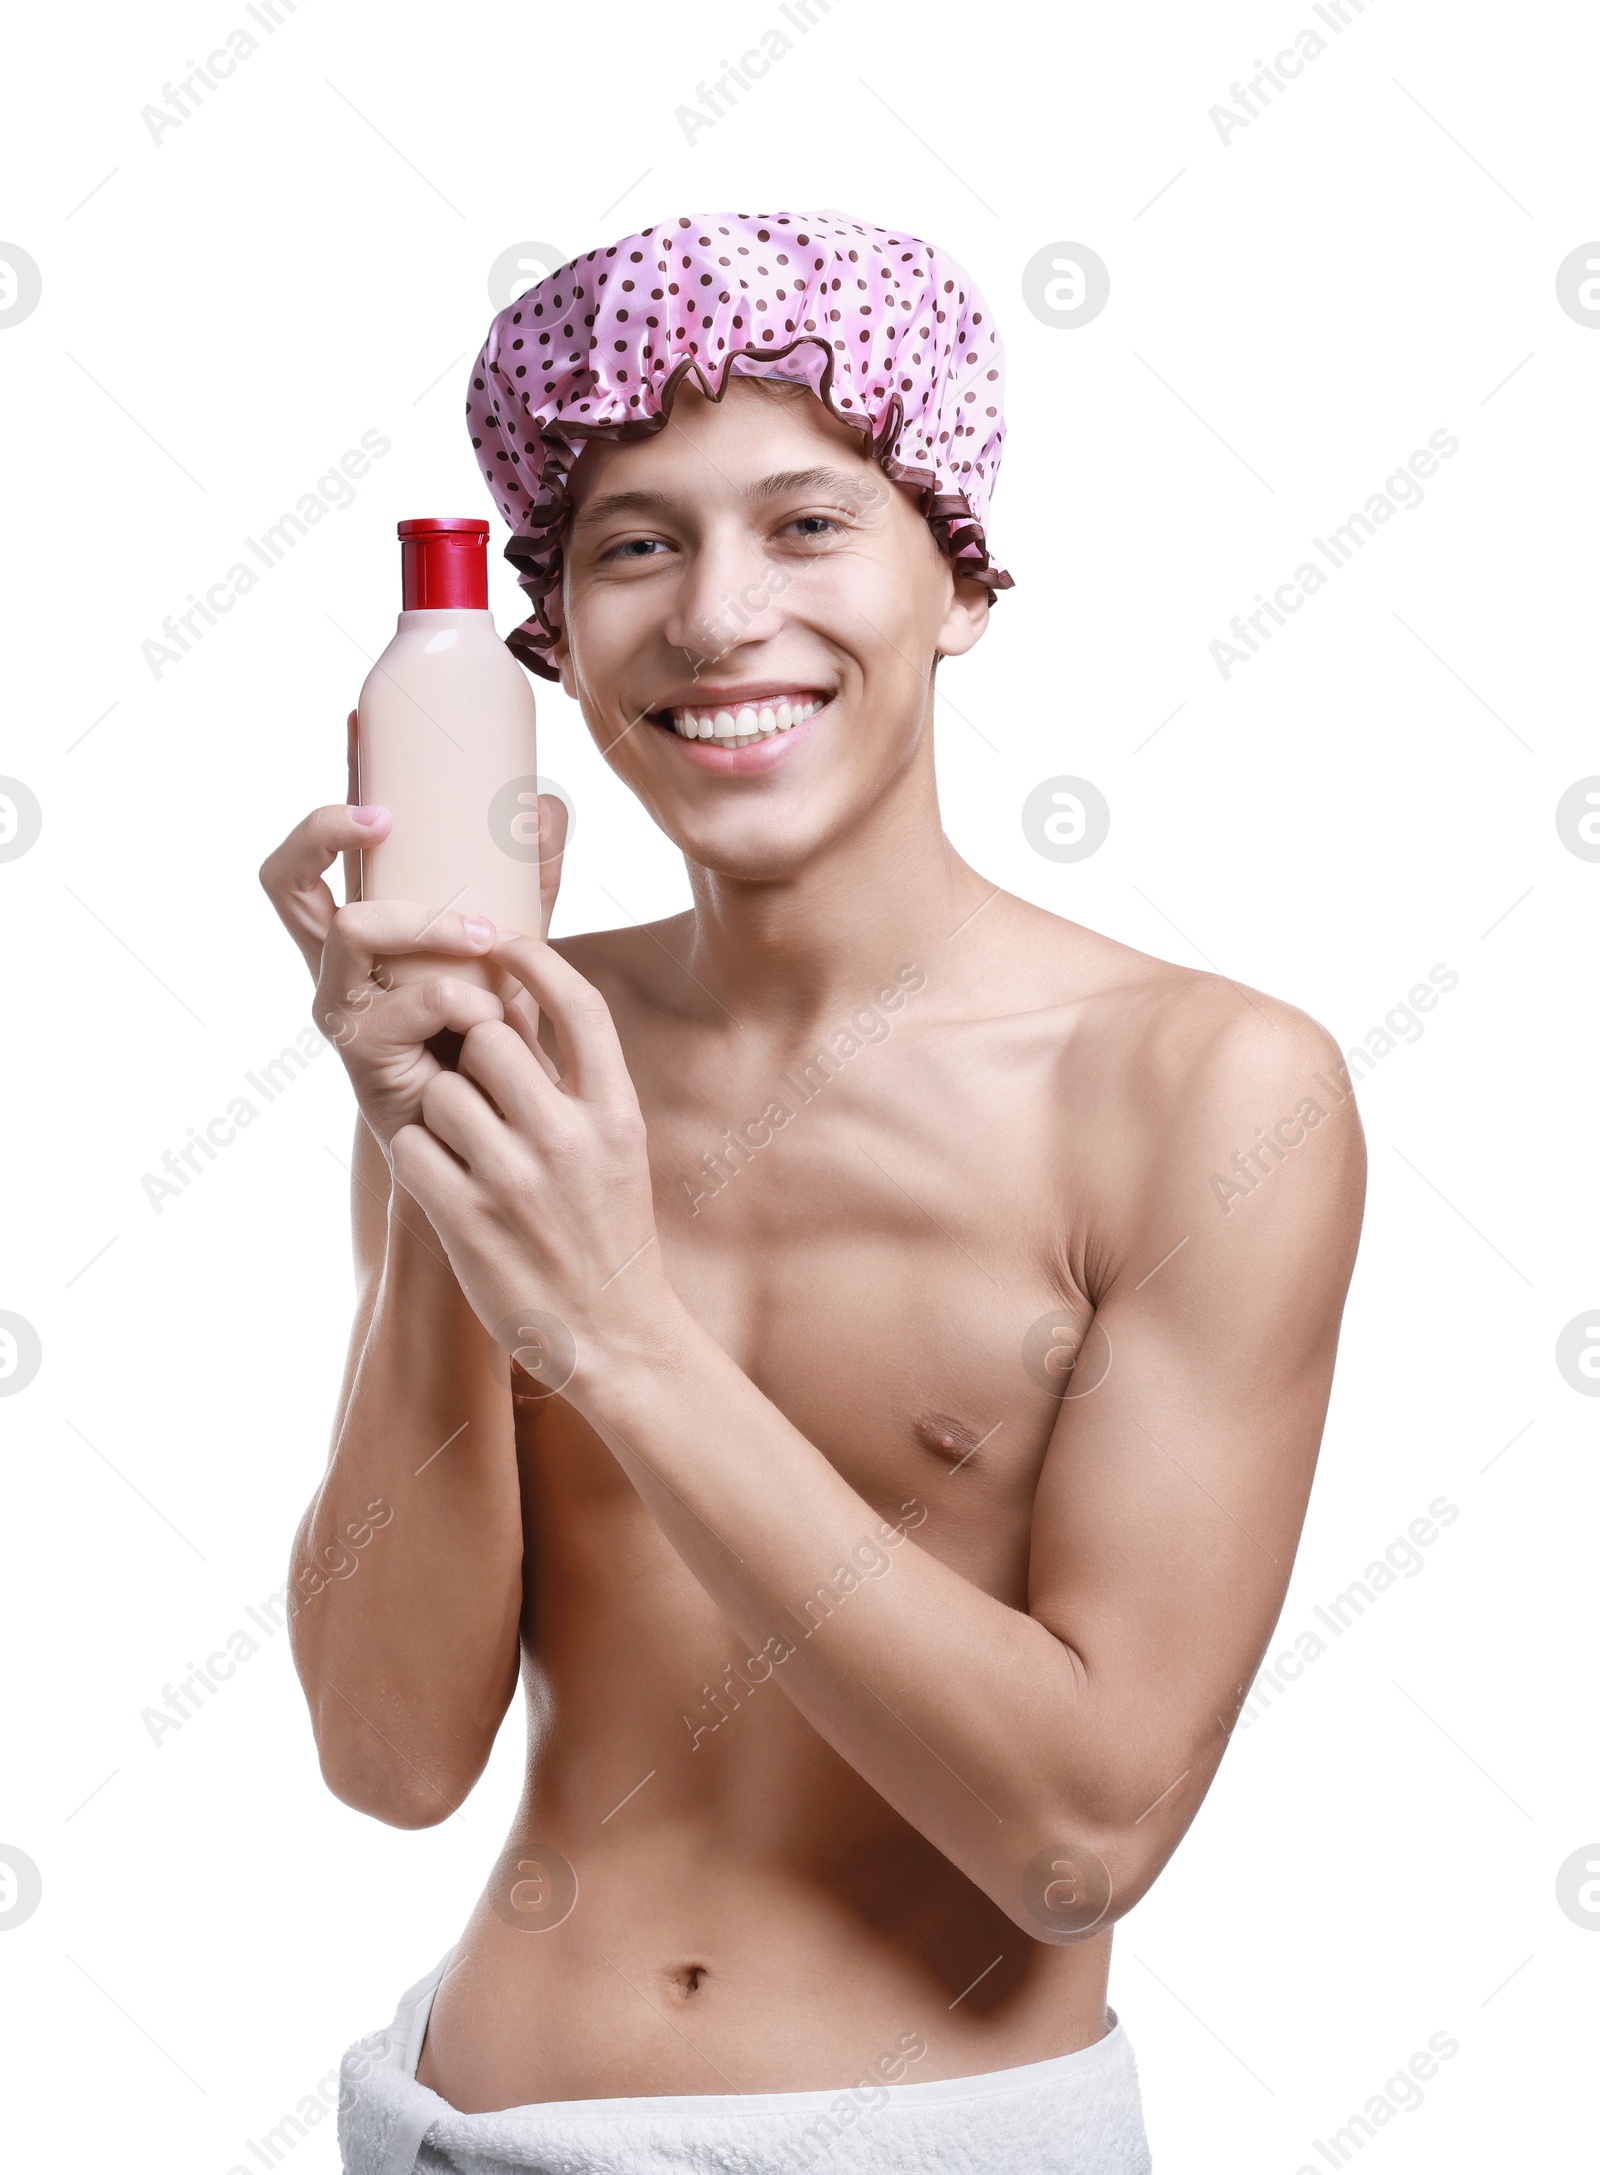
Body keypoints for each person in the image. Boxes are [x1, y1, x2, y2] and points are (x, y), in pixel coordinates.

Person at [260, 210, 1365, 2174]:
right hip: (458, 2123)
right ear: (549, 628)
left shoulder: (1195, 1088)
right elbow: (388, 1757)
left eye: (802, 524)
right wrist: (444, 1144)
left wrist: (611, 1327)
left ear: (957, 581)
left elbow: (1073, 1836)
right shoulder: (514, 1040)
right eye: (633, 543)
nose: (711, 619)